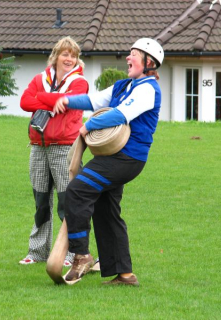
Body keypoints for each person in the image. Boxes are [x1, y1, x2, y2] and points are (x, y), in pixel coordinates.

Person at [53, 38, 164, 285]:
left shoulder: (148, 88)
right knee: (106, 211)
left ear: (149, 62)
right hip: (114, 156)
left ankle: (81, 255)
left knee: (77, 192)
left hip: (126, 159)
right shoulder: (124, 85)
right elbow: (94, 101)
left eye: (134, 54)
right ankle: (125, 275)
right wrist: (68, 100)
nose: (128, 57)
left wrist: (87, 126)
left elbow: (119, 115)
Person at [19, 36, 89, 266]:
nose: (69, 59)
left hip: (65, 147)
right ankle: (37, 251)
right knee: (40, 201)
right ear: (56, 56)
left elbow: (68, 101)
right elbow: (24, 102)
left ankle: (72, 253)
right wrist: (51, 100)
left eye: (73, 55)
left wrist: (41, 98)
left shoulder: (79, 82)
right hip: (38, 145)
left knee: (67, 202)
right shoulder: (41, 78)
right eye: (65, 54)